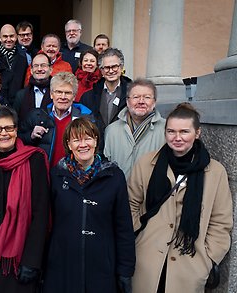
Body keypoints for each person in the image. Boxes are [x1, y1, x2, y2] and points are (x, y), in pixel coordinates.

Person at [128, 103, 233, 293]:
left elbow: (221, 222)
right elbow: (131, 203)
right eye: (171, 131)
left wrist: (207, 259)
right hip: (147, 260)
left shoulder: (215, 172)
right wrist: (139, 235)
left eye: (184, 131)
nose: (177, 138)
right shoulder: (146, 163)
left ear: (197, 133)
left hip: (190, 265)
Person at [43, 117, 135, 293]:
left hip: (101, 266)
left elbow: (123, 227)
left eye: (88, 138)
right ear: (69, 144)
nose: (83, 144)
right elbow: (47, 222)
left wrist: (125, 270)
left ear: (96, 141)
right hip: (62, 265)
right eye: (76, 140)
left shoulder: (114, 176)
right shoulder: (56, 175)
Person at [0, 105, 50, 293]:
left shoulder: (34, 160)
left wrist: (32, 260)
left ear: (16, 130)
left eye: (9, 128)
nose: (3, 133)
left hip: (20, 256)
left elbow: (41, 213)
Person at [19, 72, 93, 167]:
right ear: (51, 94)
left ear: (74, 96)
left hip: (74, 175)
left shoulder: (85, 118)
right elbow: (19, 140)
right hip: (44, 175)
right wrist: (31, 136)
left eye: (67, 93)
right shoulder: (38, 116)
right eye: (58, 92)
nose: (63, 97)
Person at [104, 78, 165, 177]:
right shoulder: (111, 130)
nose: (141, 101)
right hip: (120, 190)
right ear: (127, 101)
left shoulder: (166, 130)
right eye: (136, 97)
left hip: (150, 190)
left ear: (154, 102)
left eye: (147, 97)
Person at [80, 48, 132, 149]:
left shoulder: (132, 94)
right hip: (96, 149)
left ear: (121, 67)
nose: (111, 71)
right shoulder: (88, 97)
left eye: (114, 67)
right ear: (101, 70)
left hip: (123, 147)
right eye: (106, 68)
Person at [13, 52, 53, 122]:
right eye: (36, 66)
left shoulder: (57, 93)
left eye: (43, 65)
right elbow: (16, 122)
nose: (39, 69)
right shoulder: (21, 95)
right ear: (31, 70)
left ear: (50, 69)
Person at [0, 24, 28, 104]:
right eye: (5, 36)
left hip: (17, 103)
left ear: (16, 37)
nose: (8, 39)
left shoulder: (24, 57)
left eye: (11, 36)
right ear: (0, 38)